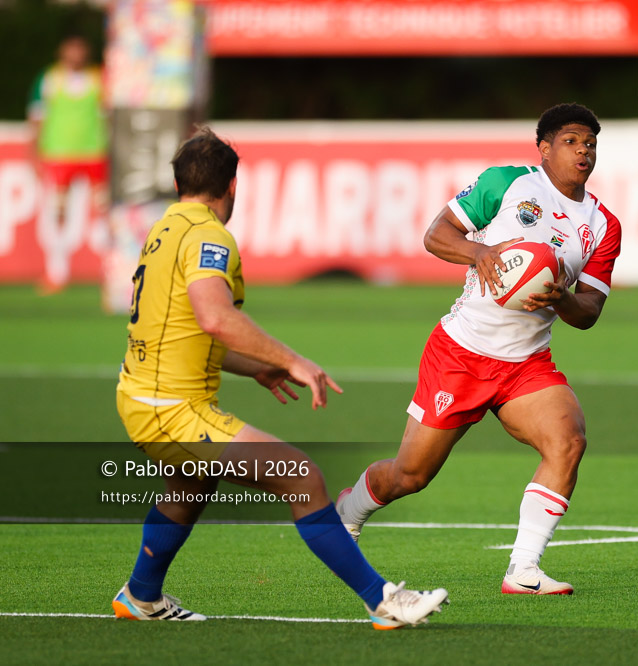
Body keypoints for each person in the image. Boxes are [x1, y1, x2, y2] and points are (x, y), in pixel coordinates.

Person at [113, 128, 447, 629]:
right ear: (232, 186)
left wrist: (256, 366)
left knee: (188, 489)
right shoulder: (208, 235)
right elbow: (215, 317)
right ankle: (383, 602)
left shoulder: (163, 231)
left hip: (145, 397)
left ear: (179, 183)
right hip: (169, 410)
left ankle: (141, 595)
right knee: (301, 476)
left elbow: (182, 330)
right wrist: (292, 360)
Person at [335, 103, 622, 595]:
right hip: (462, 353)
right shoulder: (506, 183)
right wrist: (480, 252)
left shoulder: (602, 224)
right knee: (410, 476)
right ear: (544, 148)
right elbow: (436, 235)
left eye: (591, 143)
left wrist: (562, 298)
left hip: (527, 364)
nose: (584, 151)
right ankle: (347, 511)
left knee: (568, 441)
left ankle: (523, 570)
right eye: (572, 141)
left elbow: (590, 310)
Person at [27, 34, 109, 295]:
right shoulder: (49, 79)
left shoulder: (99, 78)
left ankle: (110, 270)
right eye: (71, 50)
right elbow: (37, 116)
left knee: (104, 211)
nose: (76, 55)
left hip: (94, 153)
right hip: (59, 154)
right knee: (58, 211)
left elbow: (109, 115)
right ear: (61, 53)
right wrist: (34, 153)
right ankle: (56, 271)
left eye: (80, 50)